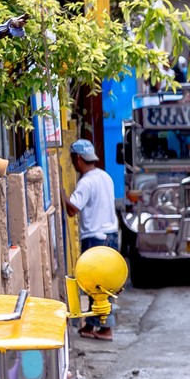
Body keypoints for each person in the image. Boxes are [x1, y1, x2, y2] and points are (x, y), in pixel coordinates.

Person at [63, 138, 119, 341]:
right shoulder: (105, 177)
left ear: (78, 158)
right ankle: (99, 326)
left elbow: (72, 209)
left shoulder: (86, 182)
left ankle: (101, 326)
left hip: (95, 238)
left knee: (96, 284)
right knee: (106, 285)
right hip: (111, 236)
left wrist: (61, 194)